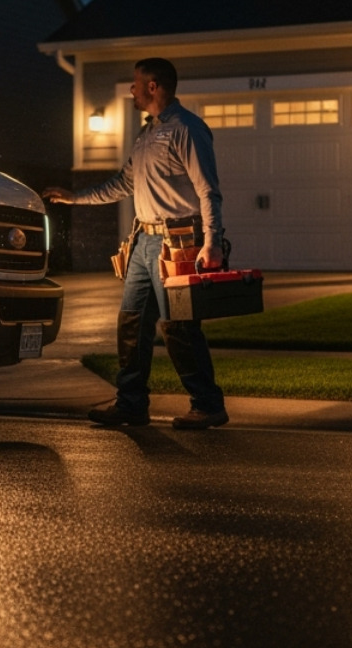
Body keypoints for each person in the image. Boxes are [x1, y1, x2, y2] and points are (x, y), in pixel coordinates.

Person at [43, 57, 229, 430]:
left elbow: (208, 190)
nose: (131, 89)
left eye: (135, 83)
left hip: (180, 243)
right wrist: (74, 197)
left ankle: (207, 404)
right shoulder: (146, 135)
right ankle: (131, 404)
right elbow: (121, 185)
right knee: (131, 323)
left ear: (153, 86)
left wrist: (211, 242)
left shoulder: (188, 130)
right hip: (144, 242)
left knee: (178, 327)